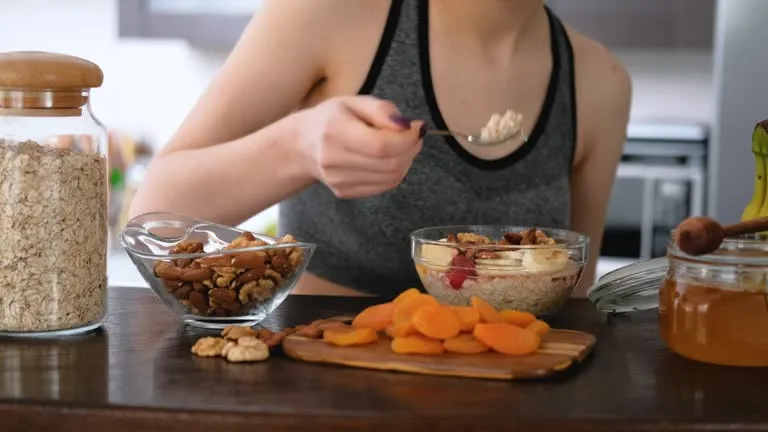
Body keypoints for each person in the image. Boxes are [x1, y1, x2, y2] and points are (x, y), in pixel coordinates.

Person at [129, 0, 632, 299]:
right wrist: (300, 147)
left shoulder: (600, 81)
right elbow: (153, 217)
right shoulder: (331, 13)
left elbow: (572, 299)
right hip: (325, 396)